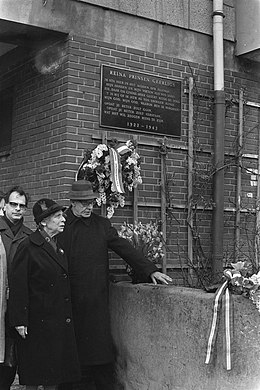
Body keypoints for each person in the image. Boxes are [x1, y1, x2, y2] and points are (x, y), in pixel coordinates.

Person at [57, 180, 173, 390]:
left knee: (98, 351)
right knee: (69, 354)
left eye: (91, 202)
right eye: (83, 203)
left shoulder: (101, 225)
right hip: (67, 300)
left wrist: (149, 269)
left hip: (95, 298)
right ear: (72, 202)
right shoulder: (61, 225)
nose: (88, 207)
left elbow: (124, 248)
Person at [8, 198, 81, 390]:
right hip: (36, 323)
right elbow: (18, 284)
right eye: (57, 216)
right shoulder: (28, 246)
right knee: (35, 375)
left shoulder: (59, 246)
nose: (63, 219)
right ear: (43, 222)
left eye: (62, 215)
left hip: (57, 321)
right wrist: (19, 320)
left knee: (54, 375)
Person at [0, 186, 32, 390]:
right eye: (13, 204)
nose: (17, 209)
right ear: (4, 205)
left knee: (10, 358)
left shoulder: (30, 236)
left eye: (22, 206)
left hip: (17, 303)